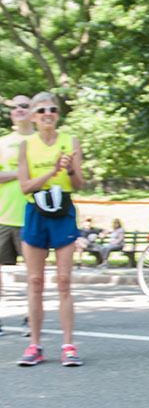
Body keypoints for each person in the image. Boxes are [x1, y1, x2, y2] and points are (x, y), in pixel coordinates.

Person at [17, 91, 85, 367]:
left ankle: (68, 345)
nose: (47, 114)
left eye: (52, 110)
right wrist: (52, 170)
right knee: (35, 282)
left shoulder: (70, 141)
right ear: (33, 116)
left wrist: (68, 170)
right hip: (36, 210)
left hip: (63, 211)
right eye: (42, 110)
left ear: (57, 115)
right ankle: (35, 345)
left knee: (64, 280)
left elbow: (79, 183)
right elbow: (24, 186)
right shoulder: (26, 144)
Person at [0, 95, 35, 336]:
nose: (20, 110)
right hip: (2, 217)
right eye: (16, 107)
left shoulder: (42, 141)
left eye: (25, 106)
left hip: (33, 217)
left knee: (34, 275)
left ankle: (31, 318)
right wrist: (21, 172)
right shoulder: (3, 143)